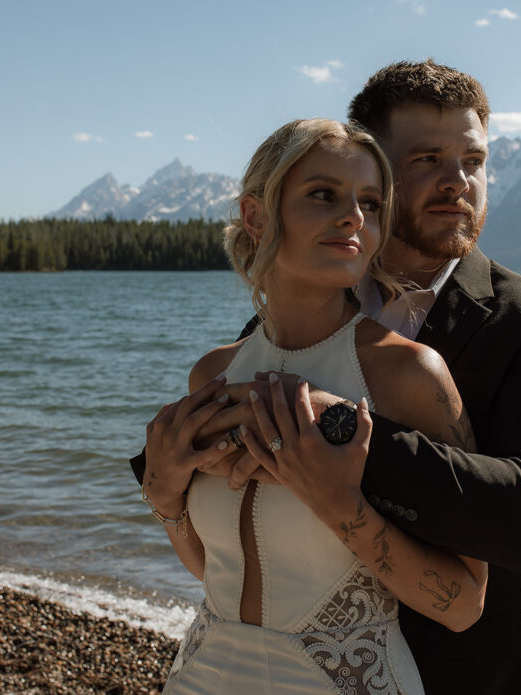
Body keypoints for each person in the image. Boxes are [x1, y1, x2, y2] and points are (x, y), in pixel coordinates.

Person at [214, 60, 521, 694]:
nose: (457, 183)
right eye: (427, 159)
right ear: (375, 172)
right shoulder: (306, 300)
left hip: (477, 676)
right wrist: (163, 482)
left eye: (473, 161)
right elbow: (227, 448)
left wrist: (327, 427)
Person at [140, 118, 488, 695]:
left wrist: (338, 505)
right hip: (201, 674)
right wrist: (164, 498)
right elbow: (216, 567)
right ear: (256, 216)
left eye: (371, 203)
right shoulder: (215, 374)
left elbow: (463, 605)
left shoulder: (407, 376)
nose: (354, 216)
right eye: (324, 195)